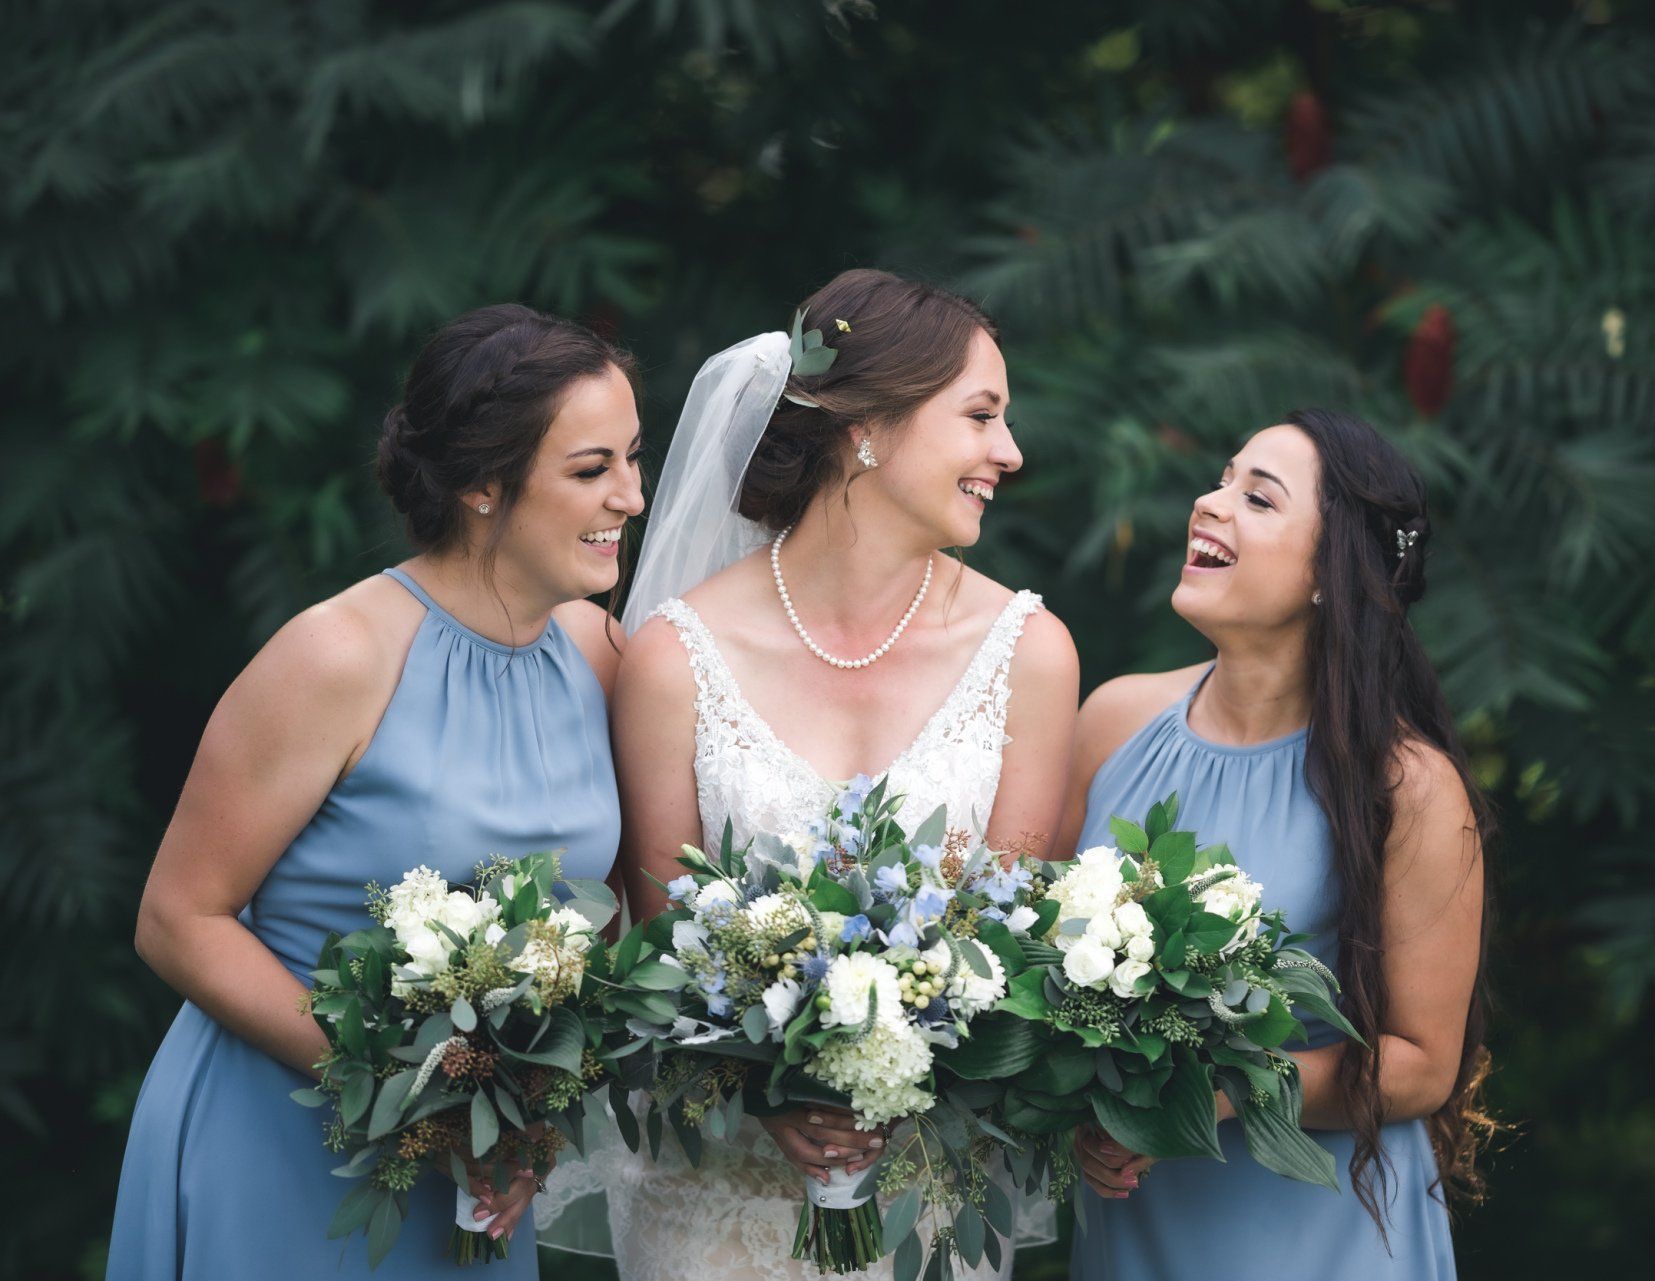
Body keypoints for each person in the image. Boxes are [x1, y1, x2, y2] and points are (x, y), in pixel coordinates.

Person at [107, 304, 642, 1279]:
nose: (631, 500)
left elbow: (607, 927)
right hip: (282, 1143)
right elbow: (178, 918)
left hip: (482, 1169)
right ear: (485, 484)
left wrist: (529, 1109)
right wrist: (415, 1100)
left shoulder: (598, 654)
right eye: (592, 470)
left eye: (634, 462)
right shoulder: (336, 656)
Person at [582, 269, 1076, 1281]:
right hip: (717, 1203)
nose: (1009, 453)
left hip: (927, 1197)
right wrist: (769, 1089)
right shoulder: (677, 660)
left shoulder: (1030, 653)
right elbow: (654, 942)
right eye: (980, 415)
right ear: (869, 427)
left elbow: (1013, 950)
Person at [1063, 410, 1492, 1280]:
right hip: (1136, 1217)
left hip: (1322, 1228)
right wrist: (1076, 1105)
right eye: (1221, 480)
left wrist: (1217, 1095)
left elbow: (1419, 1065)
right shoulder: (1112, 720)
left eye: (1257, 498)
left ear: (1332, 573)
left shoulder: (1406, 786)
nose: (1208, 504)